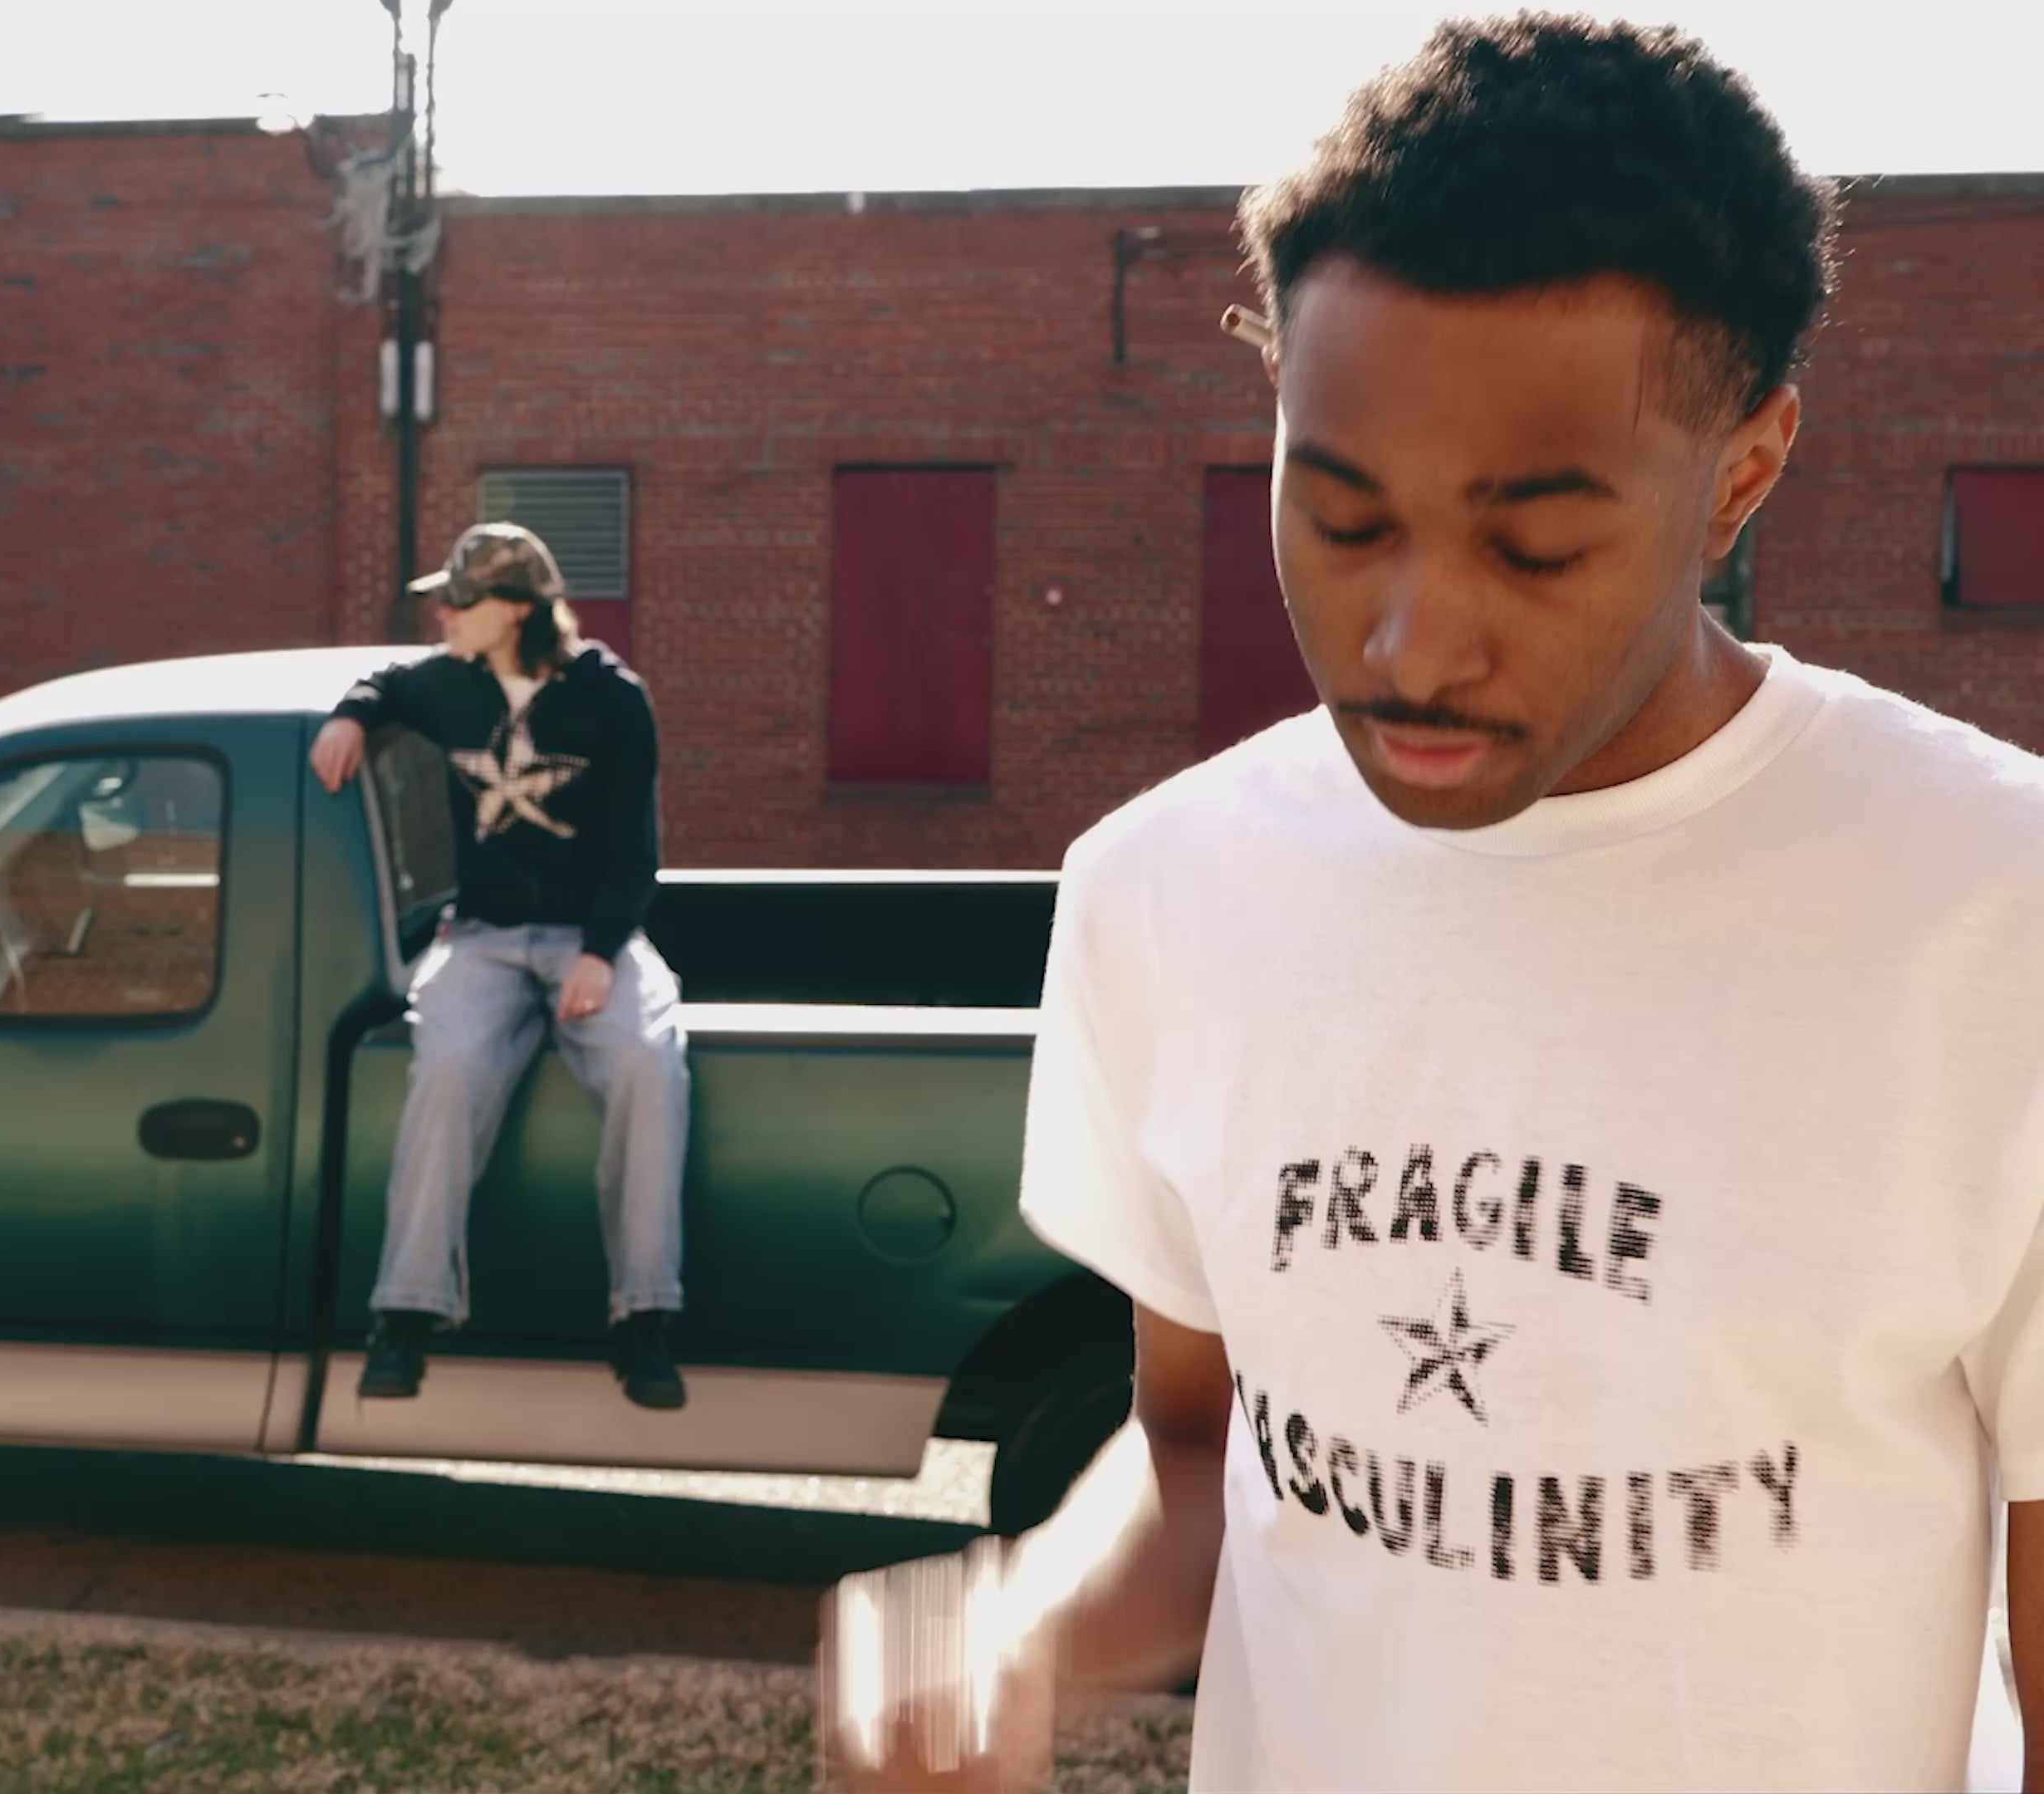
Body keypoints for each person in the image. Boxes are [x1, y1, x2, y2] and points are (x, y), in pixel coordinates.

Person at [824, 16, 2044, 1791]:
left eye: (1535, 546)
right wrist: (1025, 1637)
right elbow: (1201, 1452)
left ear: (1746, 471)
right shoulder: (1166, 892)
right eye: (1339, 518)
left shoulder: (1995, 912)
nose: (1410, 644)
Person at [311, 522, 690, 1410]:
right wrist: (352, 714)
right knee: (445, 1069)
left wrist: (598, 952)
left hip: (590, 938)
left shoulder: (612, 699)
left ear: (517, 609)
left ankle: (643, 1319)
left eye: (460, 601)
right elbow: (385, 681)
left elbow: (636, 851)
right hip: (481, 936)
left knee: (648, 1064)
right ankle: (405, 1316)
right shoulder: (450, 682)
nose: (442, 614)